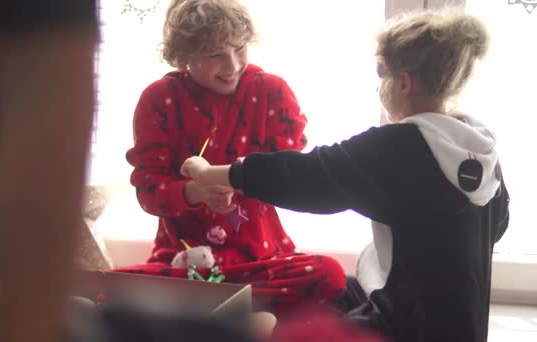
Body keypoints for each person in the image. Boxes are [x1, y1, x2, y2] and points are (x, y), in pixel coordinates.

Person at [180, 9, 510, 342]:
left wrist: (211, 174)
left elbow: (305, 176)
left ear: (404, 83)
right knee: (344, 288)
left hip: (406, 329)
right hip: (467, 329)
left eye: (382, 75)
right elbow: (498, 226)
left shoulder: (398, 146)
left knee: (304, 327)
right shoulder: (478, 146)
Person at [115, 0, 346, 315]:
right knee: (108, 287)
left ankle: (207, 311)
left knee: (329, 274)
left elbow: (291, 174)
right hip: (183, 266)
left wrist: (233, 181)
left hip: (263, 263)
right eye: (215, 55)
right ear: (184, 56)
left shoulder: (271, 92)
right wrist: (196, 191)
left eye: (240, 48)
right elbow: (149, 192)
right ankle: (223, 311)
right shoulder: (159, 99)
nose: (233, 65)